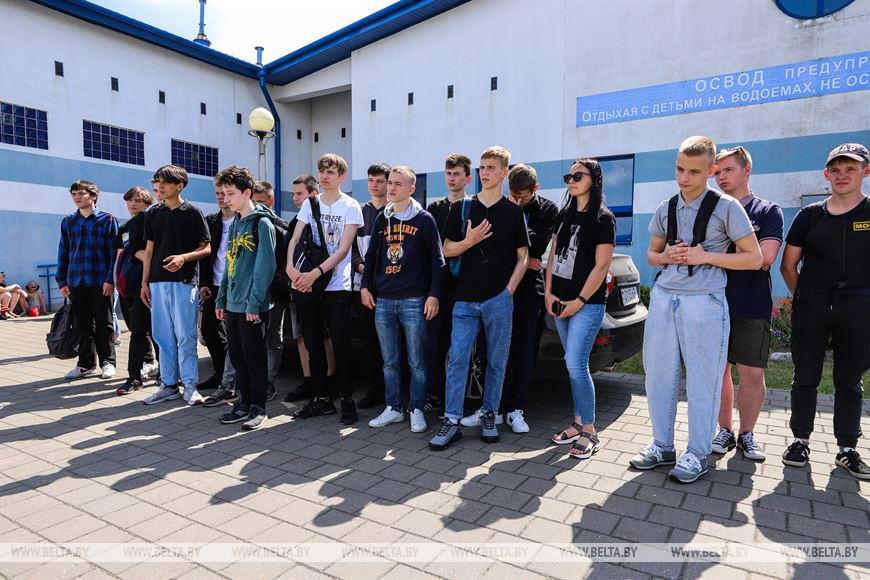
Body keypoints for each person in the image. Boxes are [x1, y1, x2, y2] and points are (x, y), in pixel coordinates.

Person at [629, 136, 761, 484]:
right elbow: (652, 255)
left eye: (694, 171)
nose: (684, 178)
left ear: (711, 171)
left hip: (704, 301)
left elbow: (754, 258)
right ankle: (662, 446)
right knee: (658, 375)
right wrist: (666, 256)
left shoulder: (727, 207)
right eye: (679, 169)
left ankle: (698, 452)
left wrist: (705, 256)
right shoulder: (666, 207)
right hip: (664, 297)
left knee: (704, 378)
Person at [429, 146, 529, 450]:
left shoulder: (513, 212)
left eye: (490, 168)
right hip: (465, 298)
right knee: (458, 357)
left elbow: (523, 257)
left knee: (496, 361)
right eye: (482, 167)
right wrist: (469, 241)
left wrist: (509, 291)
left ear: (504, 172)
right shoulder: (463, 207)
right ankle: (451, 420)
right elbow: (446, 249)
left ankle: (489, 415)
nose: (484, 173)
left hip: (498, 298)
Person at [780, 143, 870, 480]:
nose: (842, 175)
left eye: (850, 169)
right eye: (836, 169)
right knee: (805, 375)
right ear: (826, 174)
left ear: (865, 171)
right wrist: (805, 298)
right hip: (813, 303)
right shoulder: (809, 216)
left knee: (849, 380)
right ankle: (799, 441)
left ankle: (847, 449)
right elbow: (788, 265)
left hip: (859, 305)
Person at [710, 146, 783, 462]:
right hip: (712, 303)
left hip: (751, 304)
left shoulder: (767, 211)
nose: (721, 177)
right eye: (718, 172)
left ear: (746, 170)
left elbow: (765, 258)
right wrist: (742, 255)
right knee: (718, 373)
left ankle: (747, 434)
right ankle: (724, 430)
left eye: (728, 170)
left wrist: (713, 256)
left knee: (752, 374)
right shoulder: (711, 212)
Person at [361, 166, 446, 433]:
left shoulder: (424, 220)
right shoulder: (382, 219)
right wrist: (365, 287)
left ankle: (417, 409)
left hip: (414, 299)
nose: (391, 188)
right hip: (384, 299)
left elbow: (438, 261)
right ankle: (394, 408)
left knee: (417, 361)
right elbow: (371, 257)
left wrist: (434, 295)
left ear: (411, 189)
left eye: (398, 184)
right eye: (390, 183)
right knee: (389, 361)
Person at [545, 159, 614, 459]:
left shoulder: (603, 219)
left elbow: (602, 266)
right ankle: (577, 423)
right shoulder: (564, 214)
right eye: (568, 176)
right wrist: (548, 292)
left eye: (577, 176)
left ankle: (590, 430)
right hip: (559, 302)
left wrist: (579, 302)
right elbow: (552, 256)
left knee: (576, 363)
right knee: (571, 364)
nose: (571, 180)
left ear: (594, 180)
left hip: (586, 304)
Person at [286, 153, 363, 424]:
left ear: (342, 176)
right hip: (309, 284)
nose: (325, 175)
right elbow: (295, 238)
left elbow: (343, 250)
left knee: (341, 344)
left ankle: (347, 398)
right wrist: (290, 268)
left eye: (331, 171)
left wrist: (315, 273)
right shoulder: (310, 204)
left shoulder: (351, 206)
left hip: (337, 286)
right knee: (312, 342)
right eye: (322, 171)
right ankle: (321, 398)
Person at [141, 165, 211, 405]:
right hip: (157, 283)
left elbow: (206, 247)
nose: (159, 186)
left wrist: (183, 258)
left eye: (164, 182)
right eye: (157, 182)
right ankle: (168, 385)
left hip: (184, 282)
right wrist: (144, 282)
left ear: (179, 185)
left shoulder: (193, 212)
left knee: (186, 337)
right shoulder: (153, 213)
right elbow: (149, 251)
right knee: (162, 337)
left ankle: (190, 386)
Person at [215, 166, 277, 430]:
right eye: (223, 193)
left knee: (254, 359)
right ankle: (242, 403)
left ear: (247, 193)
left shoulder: (262, 224)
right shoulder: (236, 224)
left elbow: (265, 268)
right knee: (238, 358)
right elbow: (229, 265)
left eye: (231, 193)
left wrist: (254, 303)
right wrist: (221, 299)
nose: (225, 198)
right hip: (233, 304)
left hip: (253, 306)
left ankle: (258, 407)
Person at [497, 163, 558, 433]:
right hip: (501, 287)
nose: (518, 201)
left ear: (536, 188)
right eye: (514, 196)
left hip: (530, 290)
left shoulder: (548, 210)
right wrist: (521, 254)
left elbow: (539, 246)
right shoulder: (500, 205)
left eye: (523, 197)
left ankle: (516, 408)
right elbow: (497, 245)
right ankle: (495, 408)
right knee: (498, 350)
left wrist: (517, 216)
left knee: (524, 351)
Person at [282, 174, 339, 404]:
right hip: (300, 286)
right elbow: (292, 252)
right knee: (303, 336)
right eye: (293, 194)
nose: (295, 198)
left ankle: (329, 382)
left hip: (326, 285)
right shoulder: (295, 223)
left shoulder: (326, 218)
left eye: (300, 194)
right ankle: (309, 381)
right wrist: (295, 278)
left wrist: (313, 277)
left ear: (313, 194)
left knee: (324, 337)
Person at [56, 180, 119, 380]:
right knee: (81, 325)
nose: (77, 197)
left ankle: (108, 362)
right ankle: (86, 364)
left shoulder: (107, 220)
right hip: (76, 281)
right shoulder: (68, 221)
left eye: (81, 193)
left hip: (101, 281)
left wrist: (111, 279)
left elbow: (114, 254)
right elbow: (63, 251)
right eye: (74, 194)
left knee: (104, 324)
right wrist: (62, 281)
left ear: (93, 196)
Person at [424, 153, 472, 413]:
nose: (452, 178)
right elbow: (432, 251)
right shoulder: (433, 209)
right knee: (433, 345)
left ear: (468, 178)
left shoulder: (473, 207)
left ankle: (458, 401)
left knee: (461, 349)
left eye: (457, 174)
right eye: (448, 173)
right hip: (437, 287)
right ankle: (435, 395)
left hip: (465, 288)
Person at [115, 186, 160, 395]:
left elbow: (145, 251)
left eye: (138, 200)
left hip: (151, 282)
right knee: (138, 330)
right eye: (130, 200)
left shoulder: (148, 219)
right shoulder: (126, 226)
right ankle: (136, 375)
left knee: (155, 330)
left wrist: (149, 262)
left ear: (147, 203)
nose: (133, 204)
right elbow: (124, 253)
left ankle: (161, 373)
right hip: (130, 283)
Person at [353, 162, 390, 409]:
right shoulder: (358, 213)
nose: (374, 185)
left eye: (379, 181)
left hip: (390, 289)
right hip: (364, 288)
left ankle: (394, 393)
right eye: (371, 180)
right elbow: (350, 251)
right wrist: (363, 268)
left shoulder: (395, 212)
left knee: (392, 343)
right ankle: (375, 390)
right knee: (370, 342)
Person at [199, 181, 239, 406]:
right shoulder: (211, 221)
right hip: (214, 285)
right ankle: (220, 372)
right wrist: (204, 282)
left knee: (233, 333)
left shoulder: (242, 219)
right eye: (218, 194)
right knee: (208, 329)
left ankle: (232, 379)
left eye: (226, 193)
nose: (222, 197)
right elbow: (206, 255)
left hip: (235, 285)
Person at [252, 180, 283, 402]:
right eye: (254, 202)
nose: (258, 206)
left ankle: (269, 382)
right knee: (252, 339)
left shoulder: (280, 226)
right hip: (252, 291)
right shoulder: (245, 225)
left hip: (275, 291)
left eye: (262, 202)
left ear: (271, 201)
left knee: (273, 337)